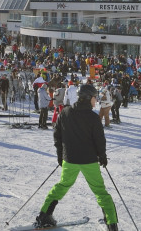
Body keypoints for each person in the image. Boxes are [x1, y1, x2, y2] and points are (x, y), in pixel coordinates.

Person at [34, 84, 117, 230]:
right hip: (89, 161)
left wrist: (61, 155)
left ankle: (44, 215)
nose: (96, 100)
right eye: (94, 97)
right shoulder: (92, 117)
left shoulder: (65, 112)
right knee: (100, 191)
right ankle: (112, 224)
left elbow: (57, 136)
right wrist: (102, 156)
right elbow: (99, 139)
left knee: (62, 186)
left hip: (70, 160)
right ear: (88, 98)